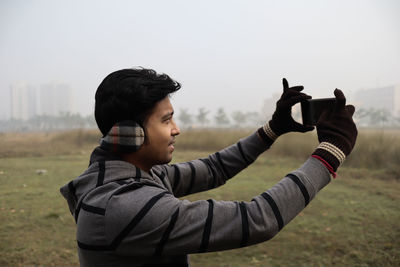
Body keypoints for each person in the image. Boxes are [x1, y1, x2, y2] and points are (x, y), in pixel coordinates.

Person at [60, 68, 357, 267]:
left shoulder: (129, 176)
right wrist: (330, 152)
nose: (176, 129)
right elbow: (257, 219)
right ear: (129, 132)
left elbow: (215, 168)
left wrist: (273, 129)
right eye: (166, 120)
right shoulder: (125, 206)